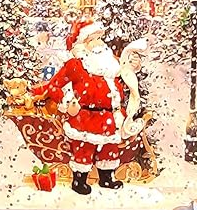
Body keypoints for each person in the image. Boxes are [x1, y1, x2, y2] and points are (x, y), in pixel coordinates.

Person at [33, 20, 140, 196]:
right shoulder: (76, 65)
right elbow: (54, 86)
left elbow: (127, 71)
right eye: (92, 39)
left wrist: (134, 64)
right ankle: (79, 180)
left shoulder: (111, 64)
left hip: (110, 117)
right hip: (86, 117)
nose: (99, 43)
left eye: (99, 38)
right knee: (84, 148)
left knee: (109, 148)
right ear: (81, 44)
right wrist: (66, 101)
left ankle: (106, 177)